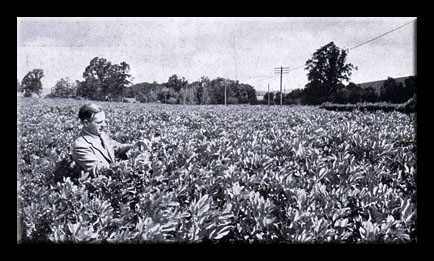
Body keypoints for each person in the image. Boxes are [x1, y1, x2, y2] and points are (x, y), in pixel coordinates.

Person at [72, 103, 133, 176]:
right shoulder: (80, 146)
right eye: (99, 122)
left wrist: (134, 147)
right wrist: (125, 165)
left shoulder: (101, 135)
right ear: (86, 123)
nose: (104, 125)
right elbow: (98, 170)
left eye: (104, 121)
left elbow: (116, 147)